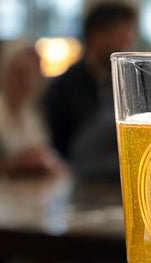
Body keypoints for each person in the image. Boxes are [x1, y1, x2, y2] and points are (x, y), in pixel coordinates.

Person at [44, 1, 137, 161]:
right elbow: (55, 150)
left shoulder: (131, 84)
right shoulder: (64, 88)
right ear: (96, 36)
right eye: (121, 39)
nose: (126, 48)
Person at [0, 38, 62, 176]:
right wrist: (17, 164)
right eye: (19, 73)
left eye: (32, 74)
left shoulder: (31, 115)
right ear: (4, 73)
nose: (26, 81)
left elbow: (48, 156)